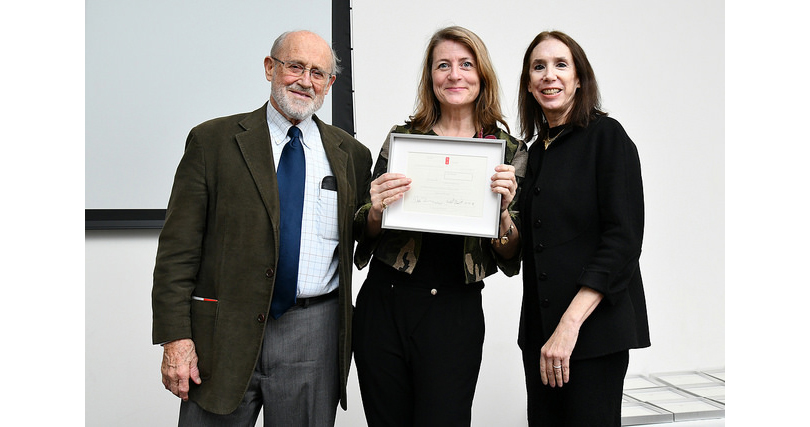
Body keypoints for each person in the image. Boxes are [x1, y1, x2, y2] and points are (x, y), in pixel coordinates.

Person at [151, 30, 372, 426]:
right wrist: (176, 339)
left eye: (318, 73)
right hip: (223, 333)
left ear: (330, 84)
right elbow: (177, 252)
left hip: (314, 334)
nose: (306, 80)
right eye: (295, 66)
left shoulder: (352, 155)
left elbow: (363, 238)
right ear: (270, 68)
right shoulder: (212, 141)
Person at [351, 26, 527, 427]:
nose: (454, 74)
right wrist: (376, 209)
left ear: (481, 76)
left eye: (466, 65)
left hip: (454, 312)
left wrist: (501, 216)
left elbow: (512, 252)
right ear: (430, 77)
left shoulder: (509, 151)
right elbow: (363, 229)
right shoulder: (402, 140)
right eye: (443, 65)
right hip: (386, 303)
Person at [515, 30, 651, 426]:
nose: (548, 76)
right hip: (540, 338)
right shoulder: (535, 151)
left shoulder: (607, 137)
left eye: (561, 65)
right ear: (528, 82)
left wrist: (568, 326)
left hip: (591, 337)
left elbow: (623, 241)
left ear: (579, 78)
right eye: (538, 67)